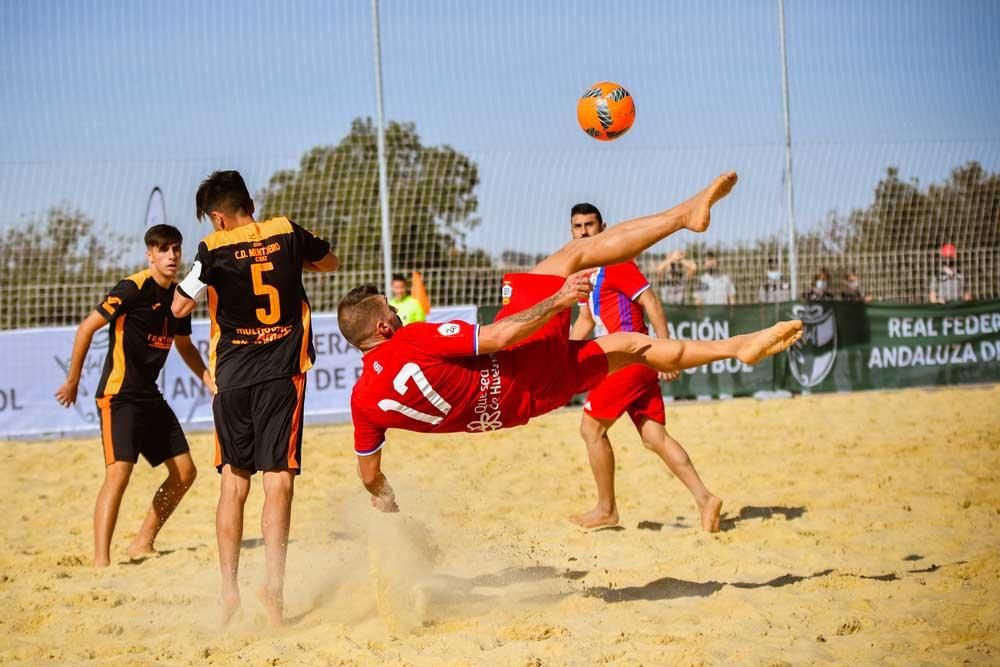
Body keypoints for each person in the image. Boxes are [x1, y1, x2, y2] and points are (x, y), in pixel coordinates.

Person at [337, 173, 803, 516]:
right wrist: (559, 300)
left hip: (531, 402)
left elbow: (369, 476)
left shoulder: (363, 404)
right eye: (390, 310)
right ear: (380, 328)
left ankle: (736, 346)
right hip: (520, 360)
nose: (397, 312)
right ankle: (686, 214)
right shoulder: (410, 340)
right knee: (574, 255)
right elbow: (499, 336)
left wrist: (386, 500)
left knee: (631, 346)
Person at [171, 170, 339, 626]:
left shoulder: (213, 249)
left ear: (219, 217)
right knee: (279, 480)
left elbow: (179, 307)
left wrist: (207, 277)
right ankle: (274, 590)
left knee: (234, 483)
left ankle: (229, 591)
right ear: (251, 203)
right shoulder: (286, 231)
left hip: (232, 375)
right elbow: (331, 264)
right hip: (283, 373)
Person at [54, 224, 214, 567]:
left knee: (185, 472)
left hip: (149, 396)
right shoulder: (132, 288)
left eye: (175, 249)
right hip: (119, 395)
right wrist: (72, 380)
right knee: (119, 473)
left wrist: (207, 379)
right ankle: (101, 562)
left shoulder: (178, 299)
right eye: (163, 250)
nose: (171, 256)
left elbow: (184, 346)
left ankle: (142, 543)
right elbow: (86, 328)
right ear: (150, 254)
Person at [567, 203, 722, 532]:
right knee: (655, 438)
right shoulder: (584, 272)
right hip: (629, 360)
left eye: (590, 225)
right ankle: (706, 499)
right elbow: (585, 320)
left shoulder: (616, 262)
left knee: (591, 429)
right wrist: (562, 355)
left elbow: (650, 300)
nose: (584, 231)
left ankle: (606, 510)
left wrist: (665, 348)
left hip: (629, 358)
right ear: (571, 231)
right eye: (578, 226)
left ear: (603, 227)